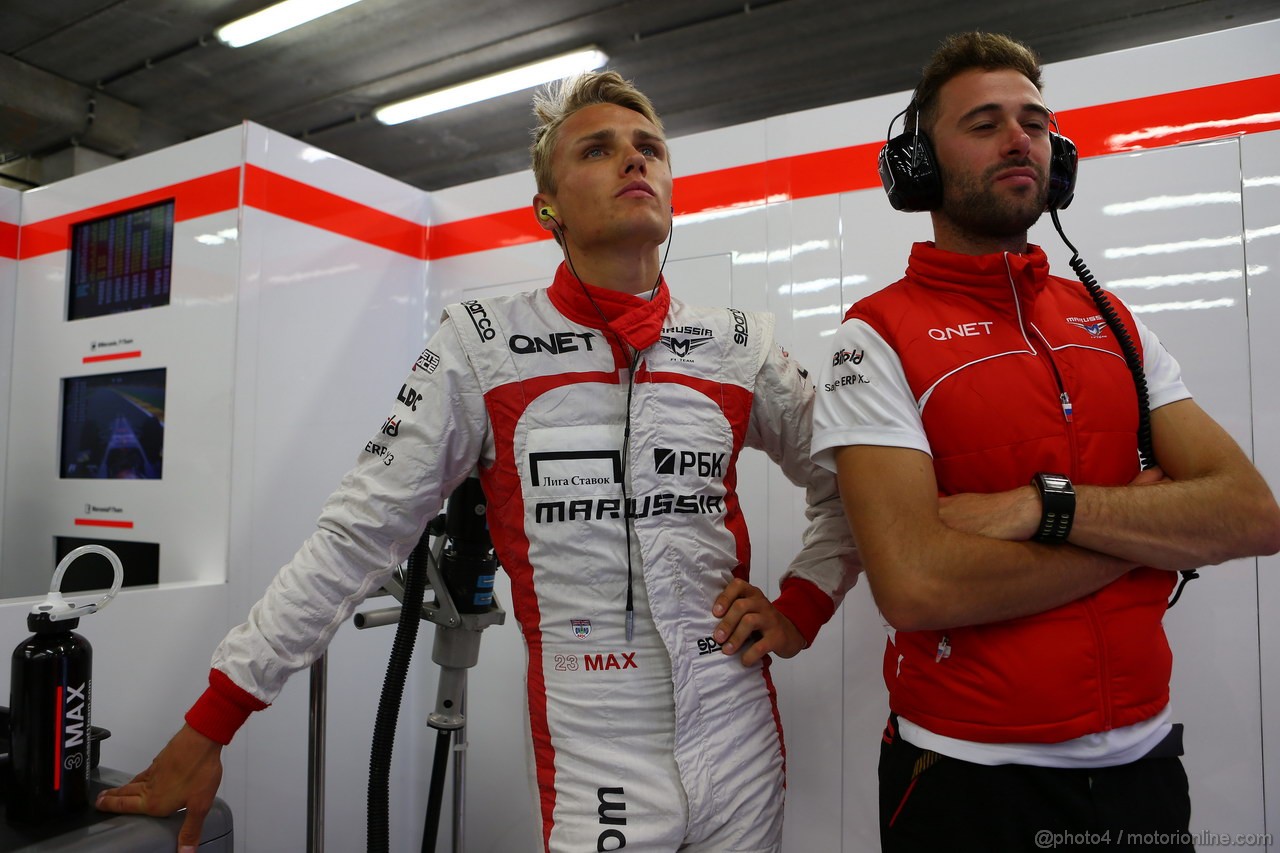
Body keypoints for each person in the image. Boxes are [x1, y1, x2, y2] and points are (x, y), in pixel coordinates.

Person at [97, 70, 859, 852]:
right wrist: (212, 720)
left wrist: (802, 604)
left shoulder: (741, 343)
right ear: (547, 210)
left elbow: (853, 485)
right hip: (597, 752)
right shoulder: (481, 344)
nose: (635, 162)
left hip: (739, 740)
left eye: (649, 149)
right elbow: (356, 537)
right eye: (598, 149)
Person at [810, 31, 1280, 853]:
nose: (1021, 137)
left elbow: (1251, 514)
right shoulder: (874, 337)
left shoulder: (1114, 322)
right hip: (967, 780)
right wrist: (1148, 535)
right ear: (917, 165)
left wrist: (1042, 507)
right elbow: (916, 584)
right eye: (984, 123)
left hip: (1145, 766)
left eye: (1034, 120)